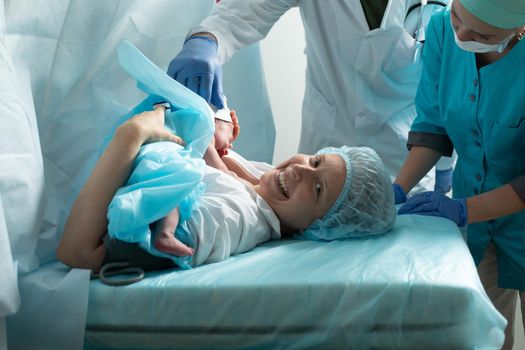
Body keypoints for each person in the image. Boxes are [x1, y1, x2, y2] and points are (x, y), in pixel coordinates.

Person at [56, 104, 396, 275]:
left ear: (317, 228)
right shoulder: (265, 186)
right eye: (317, 160)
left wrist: (131, 135)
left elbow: (81, 254)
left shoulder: (237, 219)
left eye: (318, 188)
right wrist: (221, 137)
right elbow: (227, 173)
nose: (301, 170)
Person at [166, 0, 453, 196]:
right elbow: (242, 13)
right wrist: (208, 39)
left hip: (406, 160)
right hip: (323, 155)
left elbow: (452, 79)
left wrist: (443, 165)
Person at [392, 1, 525, 348]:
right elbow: (434, 127)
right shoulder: (440, 31)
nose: (462, 35)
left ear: (520, 29)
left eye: (482, 34)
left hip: (509, 215)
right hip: (477, 228)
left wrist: (464, 209)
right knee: (484, 339)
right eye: (457, 16)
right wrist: (397, 189)